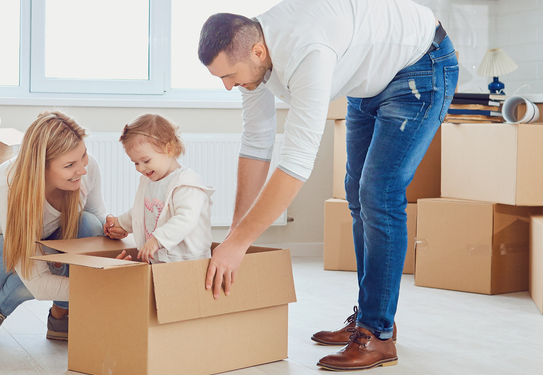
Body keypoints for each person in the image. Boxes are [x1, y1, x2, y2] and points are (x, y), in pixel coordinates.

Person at [196, 0, 457, 371]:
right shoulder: (252, 58)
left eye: (229, 76)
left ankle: (377, 335)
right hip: (370, 80)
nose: (227, 86)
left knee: (378, 194)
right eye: (220, 78)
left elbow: (298, 162)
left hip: (421, 65)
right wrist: (235, 236)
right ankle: (373, 315)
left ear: (258, 51)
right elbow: (257, 145)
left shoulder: (307, 51)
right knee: (357, 194)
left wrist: (239, 245)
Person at [0, 111, 107, 347]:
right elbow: (38, 281)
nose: (83, 170)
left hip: (43, 243)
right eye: (69, 165)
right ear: (42, 168)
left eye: (84, 155)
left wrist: (117, 234)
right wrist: (105, 288)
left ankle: (61, 314)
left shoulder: (85, 171)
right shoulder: (10, 186)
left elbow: (97, 224)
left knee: (89, 225)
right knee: (48, 260)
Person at [103, 114, 215, 263]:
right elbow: (141, 211)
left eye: (146, 160)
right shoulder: (149, 182)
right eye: (135, 163)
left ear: (168, 149)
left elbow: (186, 219)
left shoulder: (185, 183)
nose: (140, 168)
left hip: (189, 260)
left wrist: (157, 240)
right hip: (160, 260)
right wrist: (120, 224)